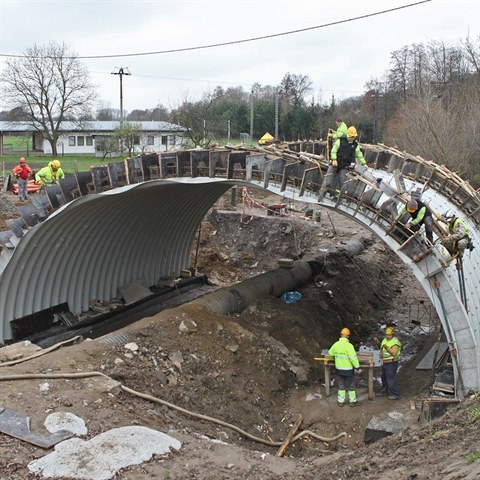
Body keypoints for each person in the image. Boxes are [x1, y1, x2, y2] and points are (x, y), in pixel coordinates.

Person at [319, 126, 367, 200]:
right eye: (352, 136)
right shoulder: (340, 141)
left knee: (342, 182)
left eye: (354, 136)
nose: (353, 138)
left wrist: (364, 163)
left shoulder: (355, 145)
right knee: (328, 179)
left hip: (344, 166)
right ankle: (321, 194)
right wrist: (334, 159)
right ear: (348, 135)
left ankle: (337, 197)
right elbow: (334, 150)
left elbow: (359, 154)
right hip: (335, 164)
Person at [328, 327, 361, 407]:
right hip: (349, 370)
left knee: (341, 386)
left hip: (339, 370)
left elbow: (330, 353)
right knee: (351, 386)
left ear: (341, 335)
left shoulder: (336, 344)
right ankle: (352, 402)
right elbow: (353, 358)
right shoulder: (349, 346)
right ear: (348, 336)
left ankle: (341, 402)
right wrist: (357, 367)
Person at [373, 327, 401, 400]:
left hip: (392, 362)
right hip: (385, 362)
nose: (387, 336)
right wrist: (378, 343)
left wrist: (387, 347)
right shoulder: (384, 340)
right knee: (384, 377)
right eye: (386, 335)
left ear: (392, 335)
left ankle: (395, 393)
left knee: (390, 379)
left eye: (389, 335)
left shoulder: (395, 342)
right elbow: (381, 347)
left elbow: (394, 353)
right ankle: (384, 390)